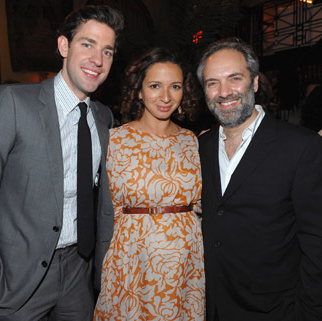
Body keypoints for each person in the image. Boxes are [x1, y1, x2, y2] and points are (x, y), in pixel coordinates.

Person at [0, 5, 124, 321]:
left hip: (78, 273)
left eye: (107, 51)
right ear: (64, 45)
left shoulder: (103, 118)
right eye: (87, 44)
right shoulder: (12, 103)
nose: (97, 60)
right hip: (17, 280)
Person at [196, 37, 322, 321]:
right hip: (209, 307)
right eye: (213, 83)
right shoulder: (198, 148)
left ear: (253, 82)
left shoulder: (302, 147)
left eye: (234, 79)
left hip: (277, 311)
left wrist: (310, 313)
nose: (224, 92)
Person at [93, 47, 205, 320]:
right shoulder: (113, 141)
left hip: (185, 262)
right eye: (155, 86)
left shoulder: (193, 140)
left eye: (175, 86)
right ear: (139, 91)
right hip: (132, 260)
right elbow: (102, 208)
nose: (166, 97)